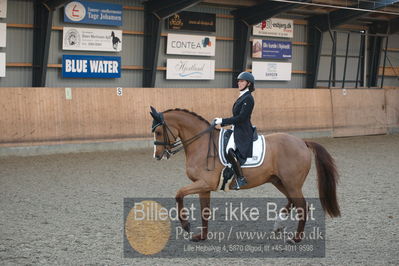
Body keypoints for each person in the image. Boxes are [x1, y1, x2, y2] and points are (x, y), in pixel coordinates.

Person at [214, 72, 255, 190]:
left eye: (242, 81)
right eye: (239, 81)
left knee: (230, 150)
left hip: (243, 130)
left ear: (248, 83)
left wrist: (222, 120)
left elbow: (241, 118)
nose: (239, 83)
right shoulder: (242, 96)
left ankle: (241, 178)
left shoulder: (248, 98)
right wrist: (222, 123)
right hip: (236, 128)